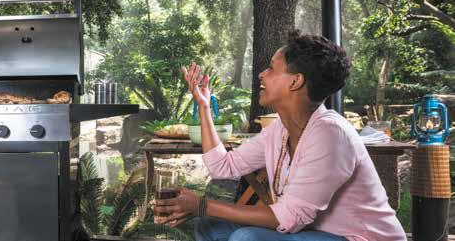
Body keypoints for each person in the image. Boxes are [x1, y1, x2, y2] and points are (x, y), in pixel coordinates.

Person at [154, 30, 405, 241]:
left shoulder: (331, 134)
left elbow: (289, 218)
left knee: (246, 238)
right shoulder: (281, 129)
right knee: (208, 226)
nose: (262, 74)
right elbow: (223, 166)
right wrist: (204, 106)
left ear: (295, 82)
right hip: (317, 232)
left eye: (272, 69)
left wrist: (202, 204)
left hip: (359, 238)